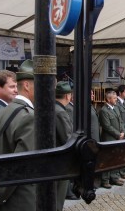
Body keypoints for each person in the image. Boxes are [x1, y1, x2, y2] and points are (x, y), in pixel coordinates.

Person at [0, 60, 36, 211]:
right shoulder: (29, 116)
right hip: (21, 200)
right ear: (27, 85)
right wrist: (2, 196)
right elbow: (20, 166)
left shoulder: (4, 111)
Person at [99, 91, 125, 189]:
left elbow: (121, 121)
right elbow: (107, 126)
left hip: (118, 138)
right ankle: (105, 180)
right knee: (107, 159)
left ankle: (114, 177)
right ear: (109, 99)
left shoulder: (116, 108)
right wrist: (118, 134)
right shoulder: (103, 110)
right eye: (114, 98)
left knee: (115, 157)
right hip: (109, 138)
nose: (116, 100)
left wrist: (123, 131)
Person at [55, 81, 73, 209]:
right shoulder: (60, 112)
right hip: (60, 161)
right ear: (67, 96)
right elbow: (67, 138)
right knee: (58, 199)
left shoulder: (54, 108)